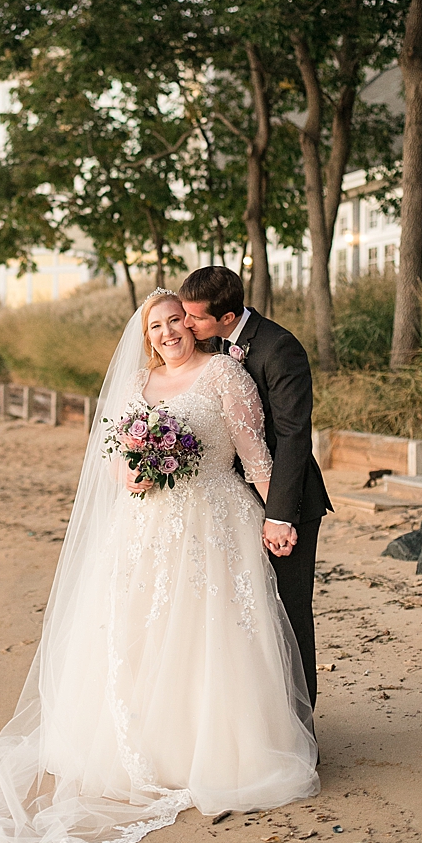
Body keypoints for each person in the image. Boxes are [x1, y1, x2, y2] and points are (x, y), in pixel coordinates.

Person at [0, 290, 319, 843]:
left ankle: (221, 750)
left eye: (176, 322)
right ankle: (153, 749)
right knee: (139, 634)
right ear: (145, 337)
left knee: (214, 634)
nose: (168, 333)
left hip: (214, 520)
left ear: (193, 325)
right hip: (145, 527)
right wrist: (135, 472)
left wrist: (277, 519)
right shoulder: (137, 386)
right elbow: (113, 457)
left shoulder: (224, 375)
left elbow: (255, 455)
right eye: (156, 326)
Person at [178, 266, 333, 707]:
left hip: (287, 503)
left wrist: (279, 514)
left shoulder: (279, 348)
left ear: (227, 317)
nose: (187, 325)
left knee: (289, 614)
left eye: (195, 318)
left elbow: (293, 435)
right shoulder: (209, 345)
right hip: (228, 502)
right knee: (246, 616)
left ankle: (304, 730)